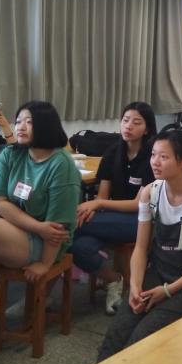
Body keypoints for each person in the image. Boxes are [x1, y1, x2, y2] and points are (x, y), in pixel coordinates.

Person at [97, 130, 182, 361]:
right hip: (158, 274)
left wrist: (167, 291)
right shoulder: (150, 192)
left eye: (164, 157)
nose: (155, 161)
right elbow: (140, 248)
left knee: (141, 339)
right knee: (115, 336)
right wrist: (135, 286)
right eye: (153, 155)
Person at [71, 102, 157, 314]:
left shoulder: (152, 156)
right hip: (111, 218)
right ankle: (113, 279)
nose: (128, 126)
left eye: (136, 122)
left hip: (142, 220)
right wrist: (93, 208)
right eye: (125, 120)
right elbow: (102, 195)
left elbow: (138, 204)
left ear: (147, 129)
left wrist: (98, 204)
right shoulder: (112, 152)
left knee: (69, 225)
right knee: (76, 242)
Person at [0, 101, 81, 282]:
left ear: (46, 126)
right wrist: (37, 227)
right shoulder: (10, 154)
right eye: (18, 121)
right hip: (22, 228)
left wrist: (45, 264)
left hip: (45, 244)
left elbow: (57, 228)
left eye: (29, 122)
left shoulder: (61, 164)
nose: (20, 127)